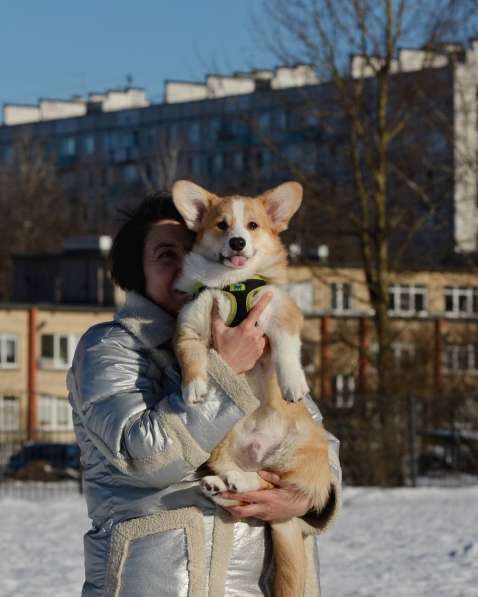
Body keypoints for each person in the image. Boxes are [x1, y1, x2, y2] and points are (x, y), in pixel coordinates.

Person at [68, 192, 342, 597]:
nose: (188, 262)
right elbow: (141, 456)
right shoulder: (111, 347)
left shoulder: (250, 331)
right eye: (165, 255)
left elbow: (316, 436)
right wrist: (224, 372)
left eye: (196, 247)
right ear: (134, 272)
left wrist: (304, 499)